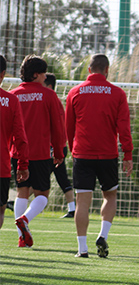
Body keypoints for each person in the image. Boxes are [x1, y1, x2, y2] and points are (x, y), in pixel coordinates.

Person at [65, 54, 133, 258]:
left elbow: (69, 126)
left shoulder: (75, 92)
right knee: (110, 195)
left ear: (89, 70)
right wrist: (127, 154)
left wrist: (71, 148)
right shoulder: (117, 93)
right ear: (107, 70)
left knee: (82, 201)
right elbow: (124, 128)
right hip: (108, 154)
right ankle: (102, 235)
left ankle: (82, 249)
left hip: (82, 153)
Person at [10, 55, 66, 248]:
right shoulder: (49, 95)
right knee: (42, 195)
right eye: (43, 74)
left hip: (17, 153)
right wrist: (59, 152)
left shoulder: (13, 95)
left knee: (22, 192)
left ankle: (21, 238)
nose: (45, 78)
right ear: (36, 75)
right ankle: (24, 220)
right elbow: (59, 127)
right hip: (41, 152)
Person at [0, 54, 29, 230]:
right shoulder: (10, 101)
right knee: (0, 209)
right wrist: (23, 164)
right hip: (1, 166)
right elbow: (20, 137)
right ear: (3, 73)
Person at [43, 73, 77, 218]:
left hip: (54, 146)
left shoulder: (52, 102)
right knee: (62, 178)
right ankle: (72, 208)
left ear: (49, 86)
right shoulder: (54, 102)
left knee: (40, 177)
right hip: (58, 146)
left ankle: (15, 201)